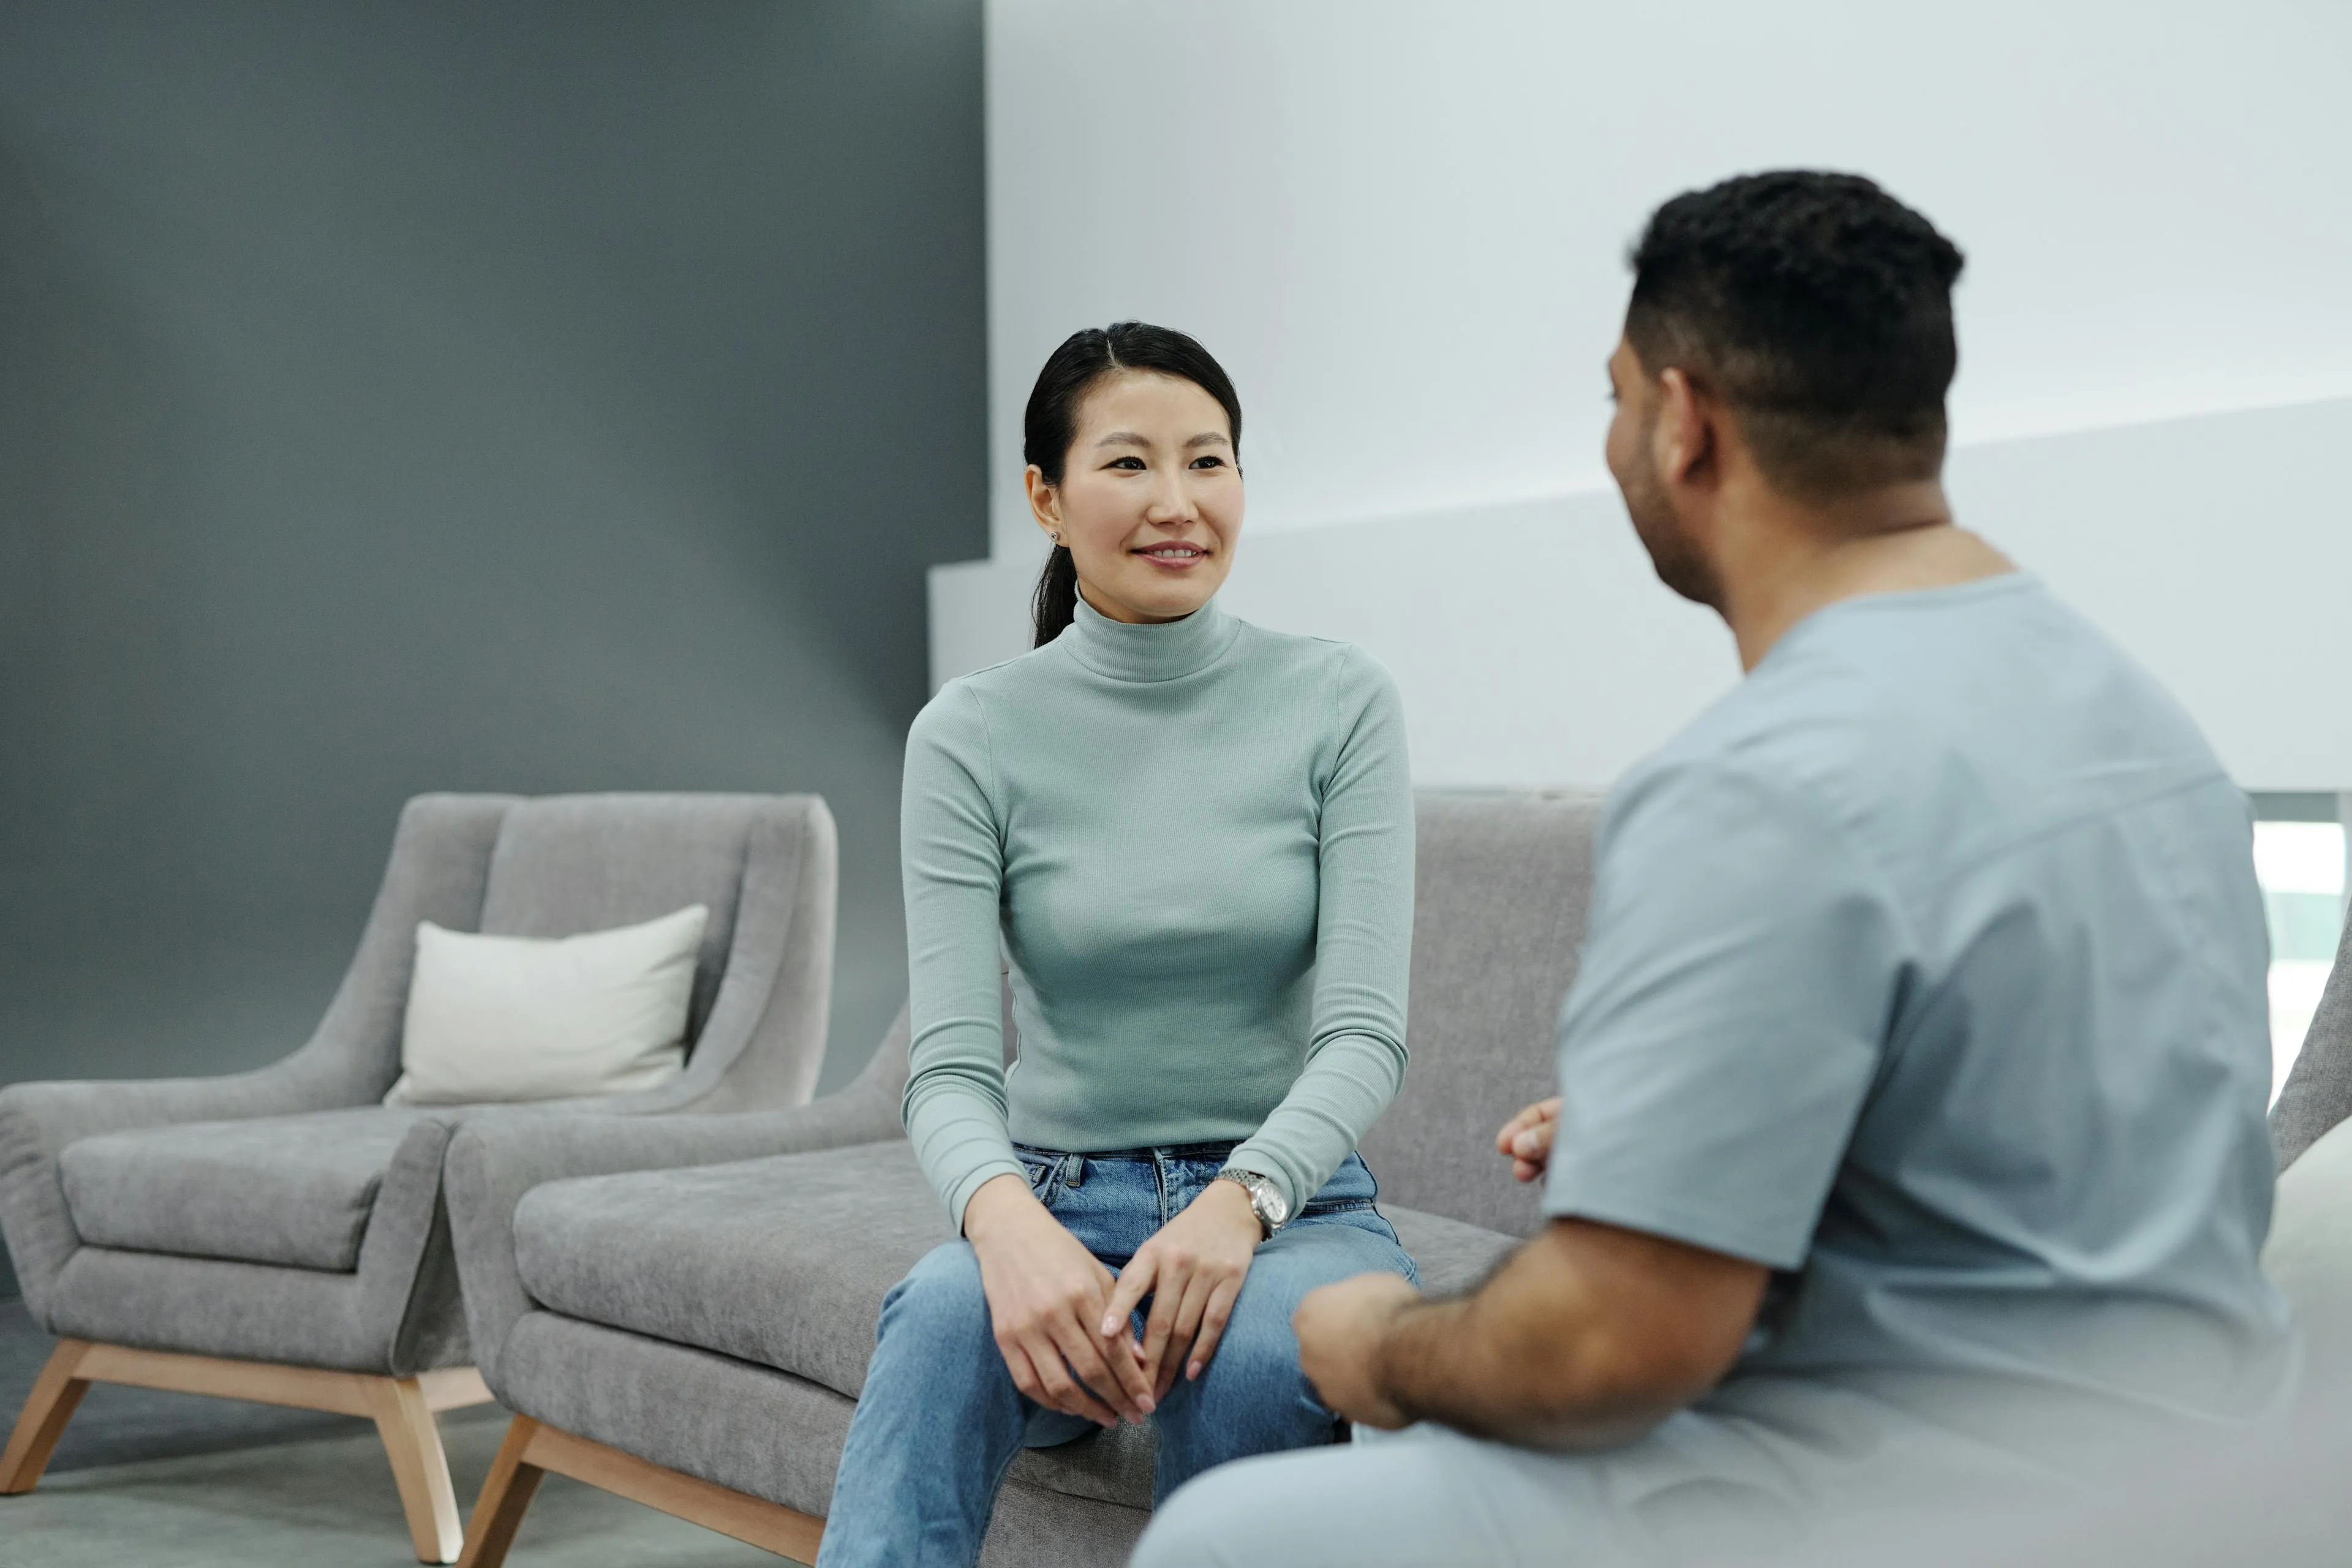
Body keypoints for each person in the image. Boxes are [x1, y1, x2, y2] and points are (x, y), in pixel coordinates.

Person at [1131, 171, 2295, 1567]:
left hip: (1910, 1508)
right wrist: (1683, 1116)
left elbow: (1608, 1342)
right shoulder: (2152, 728)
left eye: (1616, 399)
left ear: (1685, 421)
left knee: (1224, 1533)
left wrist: (1377, 1343)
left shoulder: (1758, 779)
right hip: (2211, 1480)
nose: (1615, 437)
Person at [813, 323, 1420, 1567]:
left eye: (1210, 461)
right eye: (1130, 465)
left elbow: (1365, 1034)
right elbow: (951, 1066)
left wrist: (1241, 1203)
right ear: (1047, 497)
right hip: (1058, 1202)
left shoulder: (1340, 700)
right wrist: (1001, 1227)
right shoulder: (972, 733)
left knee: (1256, 1347)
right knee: (939, 1311)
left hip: (1293, 1208)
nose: (1179, 503)